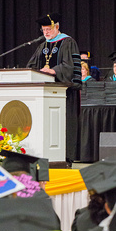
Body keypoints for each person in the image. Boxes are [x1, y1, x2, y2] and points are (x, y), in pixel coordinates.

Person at [27, 13, 82, 164]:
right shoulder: (42, 46)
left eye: (49, 29)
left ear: (57, 27)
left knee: (63, 125)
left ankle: (65, 157)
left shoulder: (67, 42)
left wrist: (54, 70)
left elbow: (71, 66)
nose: (46, 32)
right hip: (43, 94)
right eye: (43, 30)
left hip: (64, 93)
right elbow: (31, 66)